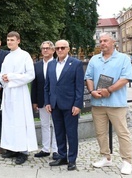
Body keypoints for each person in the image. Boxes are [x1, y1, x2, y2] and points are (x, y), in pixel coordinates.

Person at [85, 32, 132, 175]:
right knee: (100, 133)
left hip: (116, 103)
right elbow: (88, 77)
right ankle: (106, 157)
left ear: (113, 42)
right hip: (98, 103)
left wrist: (109, 90)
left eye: (105, 40)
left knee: (122, 132)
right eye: (101, 41)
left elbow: (125, 78)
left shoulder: (123, 58)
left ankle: (127, 161)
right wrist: (92, 90)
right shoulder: (94, 59)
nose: (102, 43)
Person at [44, 39, 84, 171]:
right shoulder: (51, 64)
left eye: (62, 48)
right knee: (59, 132)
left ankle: (72, 159)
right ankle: (62, 156)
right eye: (57, 48)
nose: (60, 50)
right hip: (55, 105)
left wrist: (77, 104)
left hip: (70, 105)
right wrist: (48, 102)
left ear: (68, 49)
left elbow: (79, 86)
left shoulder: (76, 64)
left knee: (71, 133)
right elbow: (47, 86)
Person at [0, 31, 37, 165]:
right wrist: (3, 78)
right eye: (8, 40)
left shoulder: (24, 55)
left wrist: (11, 77)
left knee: (20, 121)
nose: (9, 42)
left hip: (20, 93)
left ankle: (22, 151)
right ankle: (11, 148)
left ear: (18, 41)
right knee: (9, 121)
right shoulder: (7, 57)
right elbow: (2, 74)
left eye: (12, 40)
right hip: (8, 93)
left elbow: (30, 75)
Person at [31, 41, 58, 159]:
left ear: (53, 50)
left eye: (47, 48)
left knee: (57, 125)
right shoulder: (36, 65)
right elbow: (34, 84)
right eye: (43, 48)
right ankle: (46, 148)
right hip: (41, 99)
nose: (45, 50)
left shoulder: (58, 63)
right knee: (44, 124)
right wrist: (34, 101)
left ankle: (57, 149)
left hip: (56, 100)